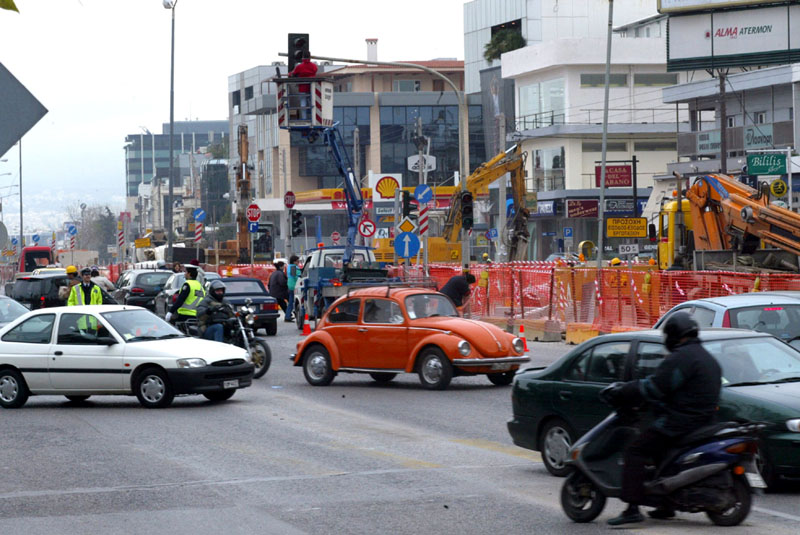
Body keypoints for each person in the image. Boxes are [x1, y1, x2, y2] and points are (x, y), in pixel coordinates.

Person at [605, 312, 722, 526]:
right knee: (662, 453)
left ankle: (632, 507)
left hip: (680, 422)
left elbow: (656, 386)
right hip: (704, 420)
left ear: (674, 335)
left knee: (636, 449)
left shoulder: (682, 358)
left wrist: (627, 390)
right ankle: (665, 504)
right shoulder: (705, 356)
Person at [288, 50, 318, 120]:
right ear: (310, 57)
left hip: (302, 87)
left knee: (303, 103)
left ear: (302, 57)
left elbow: (293, 73)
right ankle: (313, 118)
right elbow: (315, 70)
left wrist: (290, 74)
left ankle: (304, 118)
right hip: (311, 87)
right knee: (312, 103)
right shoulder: (314, 66)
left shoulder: (299, 67)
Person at [286, 255, 300, 322]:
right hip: (293, 286)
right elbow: (295, 277)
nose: (298, 262)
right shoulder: (293, 267)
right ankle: (288, 316)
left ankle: (288, 316)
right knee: (292, 302)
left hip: (290, 285)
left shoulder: (289, 267)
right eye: (297, 261)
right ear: (294, 261)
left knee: (291, 301)